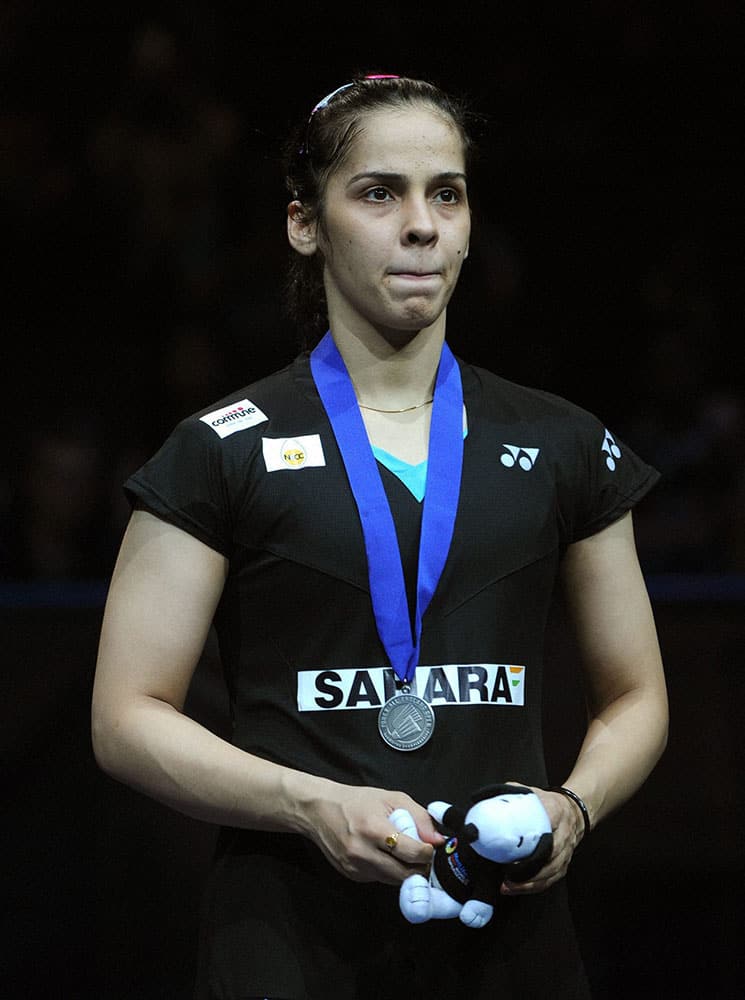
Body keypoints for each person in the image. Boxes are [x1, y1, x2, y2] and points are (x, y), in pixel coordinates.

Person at [92, 75, 669, 999]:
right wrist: (311, 805)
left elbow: (637, 694)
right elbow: (124, 718)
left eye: (446, 192)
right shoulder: (217, 451)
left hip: (511, 942)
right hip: (284, 944)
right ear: (303, 224)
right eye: (377, 192)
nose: (421, 224)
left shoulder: (562, 443)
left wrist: (573, 808)